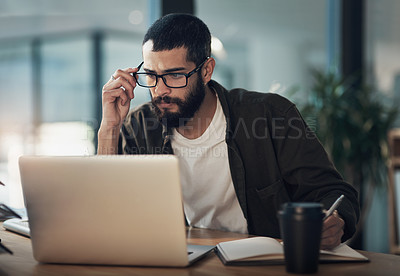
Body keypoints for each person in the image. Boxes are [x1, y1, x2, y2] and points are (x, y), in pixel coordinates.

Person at [98, 13, 359, 250]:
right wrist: (109, 128)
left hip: (267, 263)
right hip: (185, 259)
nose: (160, 90)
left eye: (174, 76)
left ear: (207, 70)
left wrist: (335, 220)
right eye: (151, 76)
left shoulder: (270, 115)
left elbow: (333, 192)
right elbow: (107, 211)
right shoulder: (141, 126)